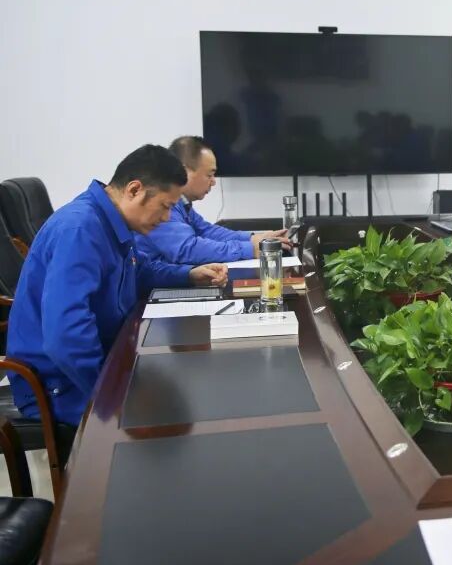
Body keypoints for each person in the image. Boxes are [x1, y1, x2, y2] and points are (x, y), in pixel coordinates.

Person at [6, 145, 229, 426]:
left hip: (106, 356)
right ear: (134, 190)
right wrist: (112, 398)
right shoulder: (80, 230)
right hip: (59, 385)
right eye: (165, 206)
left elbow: (140, 269)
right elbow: (67, 337)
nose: (166, 218)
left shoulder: (111, 219)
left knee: (193, 385)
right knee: (165, 417)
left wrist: (189, 275)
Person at [136, 136, 290, 264]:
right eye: (209, 175)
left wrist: (254, 238)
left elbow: (207, 231)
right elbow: (187, 249)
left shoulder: (183, 204)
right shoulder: (162, 205)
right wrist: (249, 248)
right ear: (184, 171)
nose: (214, 182)